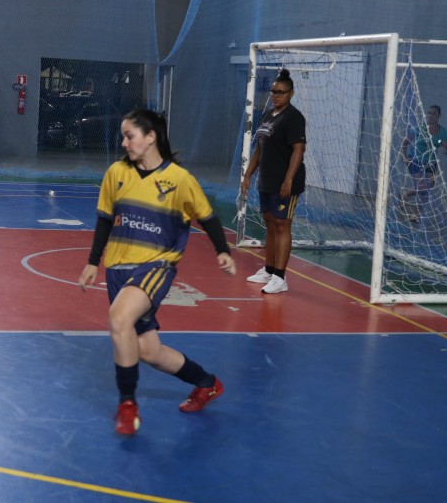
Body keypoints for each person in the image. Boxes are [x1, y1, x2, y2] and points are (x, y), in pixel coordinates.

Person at [77, 109, 236, 436]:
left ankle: (127, 405)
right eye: (123, 136)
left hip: (156, 265)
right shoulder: (116, 173)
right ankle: (207, 383)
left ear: (150, 137)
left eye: (129, 136)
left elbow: (207, 217)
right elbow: (105, 219)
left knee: (119, 318)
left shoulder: (180, 179)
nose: (124, 143)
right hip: (118, 268)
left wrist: (223, 251)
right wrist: (93, 261)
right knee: (149, 351)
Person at [241, 68, 306, 294]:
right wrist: (248, 174)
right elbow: (260, 148)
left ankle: (280, 277)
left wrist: (288, 180)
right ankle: (269, 270)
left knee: (282, 224)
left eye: (280, 92)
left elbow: (298, 150)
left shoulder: (294, 118)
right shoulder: (268, 115)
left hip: (285, 183)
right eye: (273, 92)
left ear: (291, 93)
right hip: (267, 181)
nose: (276, 96)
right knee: (269, 222)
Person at [400, 105, 447, 223]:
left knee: (427, 188)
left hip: (431, 163)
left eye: (434, 114)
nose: (431, 116)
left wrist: (444, 148)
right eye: (429, 113)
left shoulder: (442, 132)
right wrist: (405, 157)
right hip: (416, 161)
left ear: (439, 116)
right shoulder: (419, 128)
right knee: (422, 187)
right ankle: (414, 210)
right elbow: (405, 143)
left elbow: (446, 149)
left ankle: (408, 196)